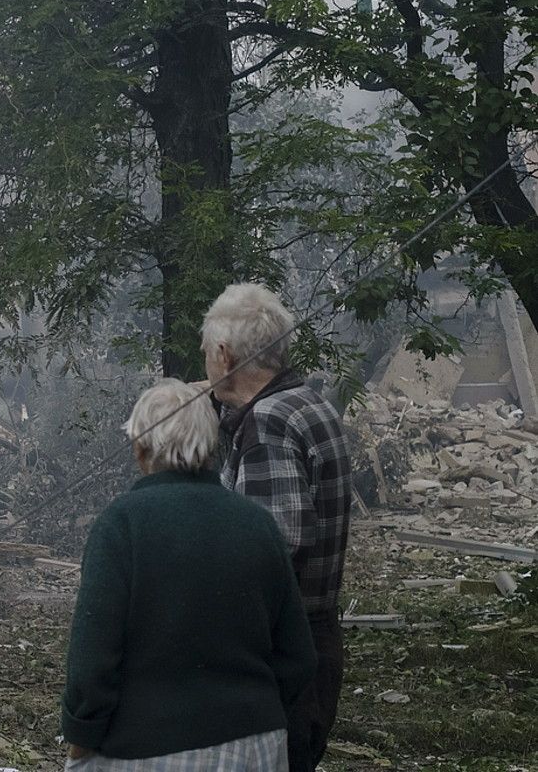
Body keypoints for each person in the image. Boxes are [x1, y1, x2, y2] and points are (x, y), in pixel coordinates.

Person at [61, 379, 316, 771]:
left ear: (140, 447)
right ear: (212, 446)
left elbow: (93, 656)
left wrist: (81, 736)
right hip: (256, 747)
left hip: (146, 749)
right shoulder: (258, 523)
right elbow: (298, 655)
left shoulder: (121, 524)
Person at [200, 283, 352, 772]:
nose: (205, 362)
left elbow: (273, 547)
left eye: (205, 352)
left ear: (223, 355)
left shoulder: (268, 422)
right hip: (313, 638)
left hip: (279, 655)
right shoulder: (309, 403)